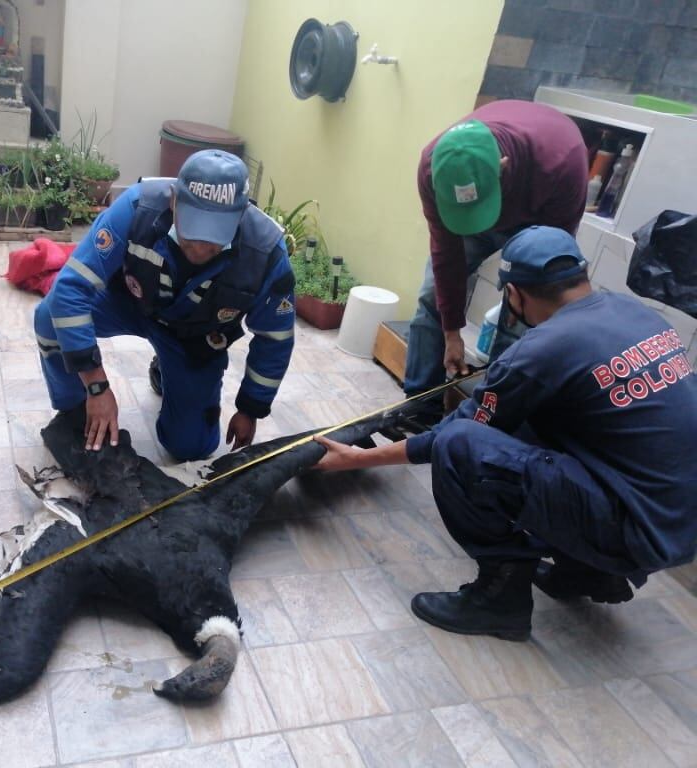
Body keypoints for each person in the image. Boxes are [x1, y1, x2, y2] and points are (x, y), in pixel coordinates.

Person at [314, 226, 697, 641]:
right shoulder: (635, 313)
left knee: (461, 446)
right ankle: (587, 572)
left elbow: (454, 433)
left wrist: (358, 459)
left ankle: (500, 599)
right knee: (543, 422)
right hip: (680, 524)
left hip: (636, 529)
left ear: (515, 293)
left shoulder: (541, 349)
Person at [34, 149, 296, 461]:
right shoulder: (137, 206)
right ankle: (75, 412)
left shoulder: (266, 253)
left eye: (214, 235)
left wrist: (250, 407)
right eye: (193, 228)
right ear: (173, 200)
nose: (200, 246)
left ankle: (167, 370)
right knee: (50, 315)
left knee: (191, 448)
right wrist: (96, 387)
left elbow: (275, 339)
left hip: (194, 335)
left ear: (241, 215)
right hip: (130, 302)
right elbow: (71, 289)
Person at [405, 100, 589, 421]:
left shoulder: (561, 164)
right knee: (433, 294)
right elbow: (446, 255)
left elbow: (547, 272)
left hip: (536, 213)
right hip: (487, 200)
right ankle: (418, 405)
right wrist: (451, 333)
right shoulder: (434, 166)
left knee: (521, 317)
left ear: (502, 166)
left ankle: (496, 411)